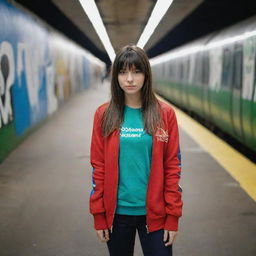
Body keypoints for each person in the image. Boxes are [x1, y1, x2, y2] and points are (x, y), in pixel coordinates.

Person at [89, 44, 183, 256]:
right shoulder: (103, 115)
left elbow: (172, 166)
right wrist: (99, 214)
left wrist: (173, 216)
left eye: (136, 71)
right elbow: (98, 166)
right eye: (122, 72)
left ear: (146, 75)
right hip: (117, 215)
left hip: (156, 215)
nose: (129, 79)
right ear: (115, 77)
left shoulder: (165, 114)